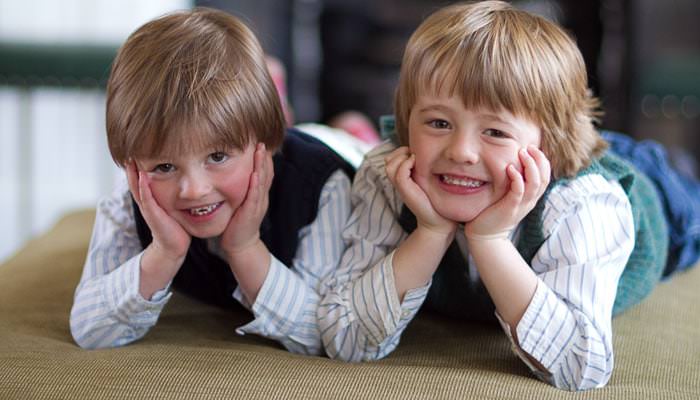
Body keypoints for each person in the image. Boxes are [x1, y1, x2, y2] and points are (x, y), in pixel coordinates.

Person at [318, 1, 685, 391]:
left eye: (495, 132)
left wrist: (489, 241)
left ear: (549, 145)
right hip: (529, 156)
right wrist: (429, 232)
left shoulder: (585, 203)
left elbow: (583, 367)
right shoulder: (389, 175)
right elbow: (344, 337)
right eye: (438, 122)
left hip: (661, 204)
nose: (460, 151)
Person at [69, 7, 354, 355]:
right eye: (165, 166)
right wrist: (163, 253)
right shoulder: (136, 194)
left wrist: (245, 248)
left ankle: (326, 120)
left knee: (351, 142)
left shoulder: (323, 187)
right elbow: (88, 330)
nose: (194, 189)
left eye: (217, 157)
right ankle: (272, 99)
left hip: (341, 149)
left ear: (263, 147)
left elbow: (324, 333)